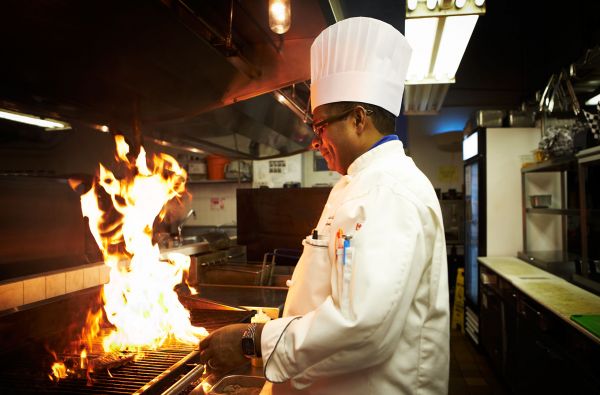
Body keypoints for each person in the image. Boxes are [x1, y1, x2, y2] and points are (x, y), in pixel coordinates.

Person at [199, 16, 450, 394]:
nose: (316, 142)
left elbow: (364, 327)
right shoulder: (357, 183)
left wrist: (254, 340)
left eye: (321, 127)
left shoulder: (388, 193)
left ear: (359, 119)